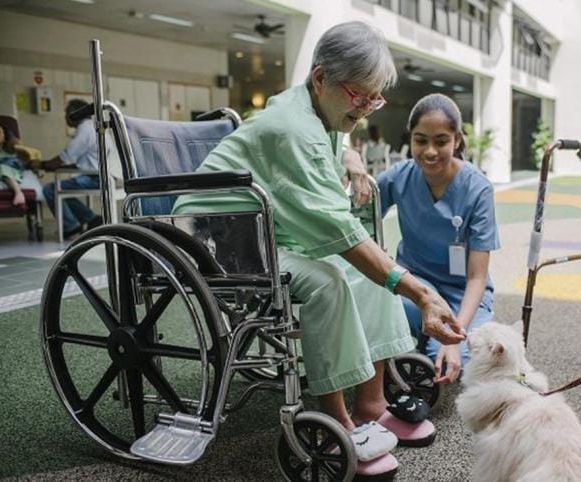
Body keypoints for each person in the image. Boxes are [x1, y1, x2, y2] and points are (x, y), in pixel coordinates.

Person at [172, 21, 465, 478]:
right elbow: (341, 232)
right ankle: (338, 419)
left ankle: (372, 404)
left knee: (372, 277)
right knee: (331, 278)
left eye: (374, 98)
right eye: (359, 96)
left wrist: (348, 155)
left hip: (266, 231)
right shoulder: (295, 128)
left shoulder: (321, 109)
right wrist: (421, 293)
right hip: (219, 239)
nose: (366, 109)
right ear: (321, 78)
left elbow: (336, 151)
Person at [377, 93, 500, 385]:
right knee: (380, 317)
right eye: (421, 140)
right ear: (411, 139)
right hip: (414, 285)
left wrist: (454, 339)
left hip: (462, 295)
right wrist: (351, 161)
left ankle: (424, 340)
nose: (430, 151)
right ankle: (415, 338)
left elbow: (476, 277)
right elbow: (355, 219)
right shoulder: (396, 177)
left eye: (441, 141)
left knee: (459, 363)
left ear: (457, 140)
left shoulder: (478, 189)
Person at [41, 99, 103, 239]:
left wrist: (42, 165)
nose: (65, 117)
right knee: (62, 190)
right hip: (101, 175)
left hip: (94, 178)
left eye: (67, 113)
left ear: (76, 114)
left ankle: (71, 227)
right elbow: (80, 161)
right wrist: (52, 167)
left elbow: (65, 157)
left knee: (50, 189)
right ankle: (91, 219)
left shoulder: (85, 129)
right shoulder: (93, 126)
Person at [0, 124, 29, 208]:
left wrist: (37, 170)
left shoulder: (13, 153)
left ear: (5, 138)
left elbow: (26, 164)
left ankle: (18, 193)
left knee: (1, 167)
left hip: (10, 173)